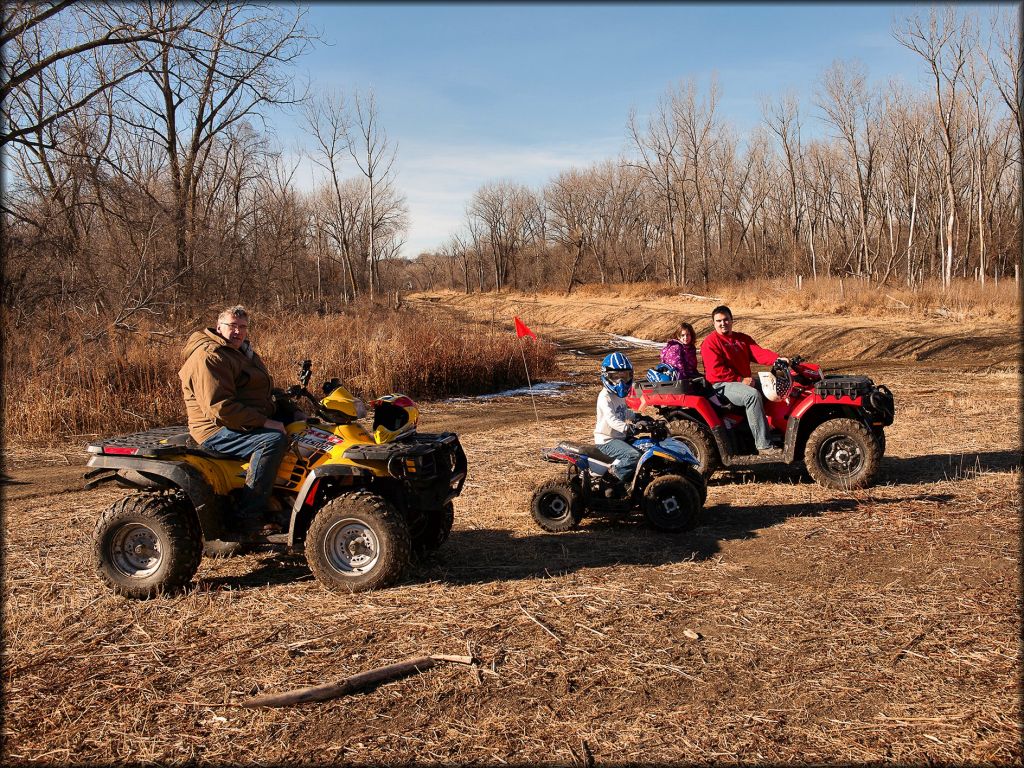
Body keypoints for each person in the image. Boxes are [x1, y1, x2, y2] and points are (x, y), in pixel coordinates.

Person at [178, 305, 289, 533]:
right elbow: (220, 408)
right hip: (215, 429)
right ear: (219, 328)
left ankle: (283, 500)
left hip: (240, 419)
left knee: (302, 427)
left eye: (242, 327)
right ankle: (249, 516)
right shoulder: (210, 356)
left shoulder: (240, 351)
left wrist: (289, 409)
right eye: (232, 326)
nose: (237, 331)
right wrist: (266, 423)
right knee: (271, 440)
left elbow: (255, 390)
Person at [699, 305, 787, 456]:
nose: (723, 323)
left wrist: (777, 359)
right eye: (718, 321)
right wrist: (740, 380)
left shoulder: (742, 339)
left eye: (726, 320)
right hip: (721, 385)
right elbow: (715, 372)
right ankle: (764, 445)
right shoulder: (710, 342)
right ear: (713, 323)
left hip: (742, 381)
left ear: (732, 320)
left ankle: (776, 428)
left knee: (772, 386)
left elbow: (759, 353)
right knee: (751, 395)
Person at [594, 352, 641, 486]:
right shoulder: (605, 397)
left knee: (645, 447)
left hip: (619, 437)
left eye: (624, 377)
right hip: (606, 440)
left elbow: (624, 412)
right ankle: (612, 478)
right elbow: (611, 419)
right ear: (606, 376)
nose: (620, 382)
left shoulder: (618, 396)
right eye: (615, 377)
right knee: (633, 456)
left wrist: (638, 417)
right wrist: (628, 428)